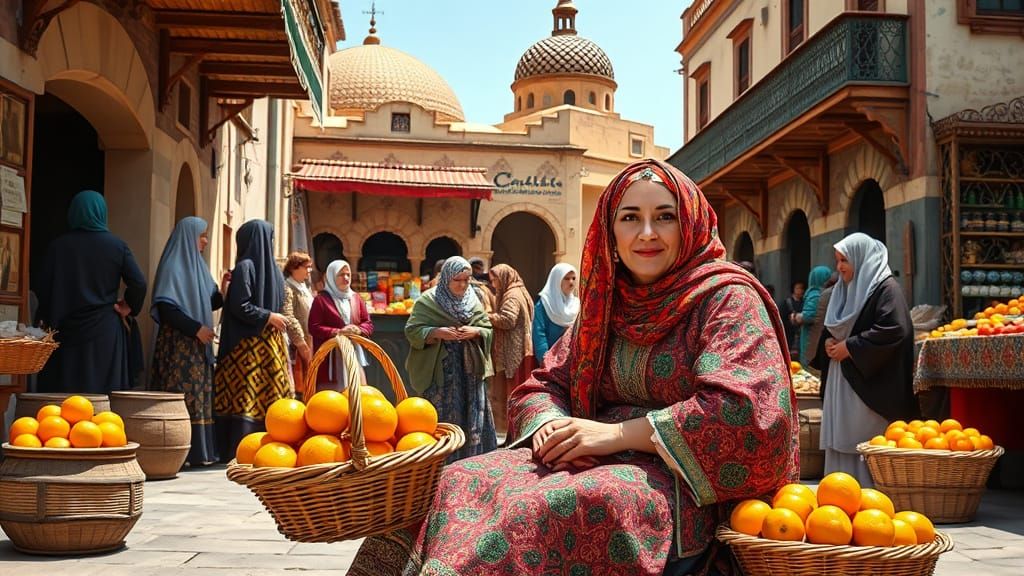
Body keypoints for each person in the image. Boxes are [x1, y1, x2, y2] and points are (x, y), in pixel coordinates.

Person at [349, 159, 797, 576]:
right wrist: (551, 425)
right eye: (629, 218)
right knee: (452, 481)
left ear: (690, 224)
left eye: (665, 216)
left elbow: (747, 413)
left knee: (538, 511)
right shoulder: (607, 305)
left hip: (678, 481)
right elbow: (546, 383)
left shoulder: (727, 299)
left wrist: (615, 435)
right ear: (609, 233)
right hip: (582, 455)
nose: (647, 233)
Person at [812, 233, 918, 486]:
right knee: (843, 436)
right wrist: (828, 343)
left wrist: (851, 347)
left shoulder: (886, 289)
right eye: (838, 261)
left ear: (861, 259)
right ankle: (840, 491)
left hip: (868, 381)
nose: (840, 267)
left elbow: (895, 329)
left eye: (844, 260)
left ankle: (869, 492)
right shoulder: (843, 289)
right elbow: (834, 326)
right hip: (843, 376)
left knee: (864, 438)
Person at [37, 190, 147, 394]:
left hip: (65, 331)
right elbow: (139, 283)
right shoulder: (116, 246)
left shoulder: (57, 247)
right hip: (104, 332)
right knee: (103, 399)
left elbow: (43, 288)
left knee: (66, 398)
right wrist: (128, 306)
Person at [150, 216, 229, 466]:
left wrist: (224, 290)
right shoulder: (173, 266)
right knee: (182, 395)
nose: (205, 240)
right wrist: (196, 329)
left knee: (199, 395)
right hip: (179, 346)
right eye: (201, 235)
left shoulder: (199, 267)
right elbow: (166, 309)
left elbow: (211, 301)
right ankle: (177, 450)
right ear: (189, 237)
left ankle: (199, 452)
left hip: (198, 344)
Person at [404, 256, 496, 461]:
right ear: (446, 279)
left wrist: (476, 332)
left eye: (467, 279)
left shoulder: (474, 301)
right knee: (443, 420)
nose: (463, 284)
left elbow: (487, 329)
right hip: (441, 377)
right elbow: (412, 331)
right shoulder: (427, 301)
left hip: (469, 375)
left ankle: (471, 463)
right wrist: (436, 332)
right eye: (458, 280)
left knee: (471, 417)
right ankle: (440, 466)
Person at [213, 220, 290, 460]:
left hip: (245, 347)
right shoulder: (274, 272)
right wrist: (269, 316)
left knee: (246, 396)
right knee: (262, 396)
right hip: (268, 346)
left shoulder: (246, 267)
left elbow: (239, 306)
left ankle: (240, 448)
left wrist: (266, 316)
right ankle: (269, 448)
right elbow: (242, 304)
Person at [307, 259, 374, 393]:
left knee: (357, 394)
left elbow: (368, 324)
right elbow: (314, 327)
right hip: (330, 358)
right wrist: (338, 332)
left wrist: (358, 330)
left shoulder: (356, 298)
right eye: (341, 274)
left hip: (352, 355)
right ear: (331, 276)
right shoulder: (321, 300)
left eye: (348, 274)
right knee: (331, 400)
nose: (346, 278)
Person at [486, 263, 535, 434]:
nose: (493, 285)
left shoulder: (512, 295)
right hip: (521, 348)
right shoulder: (520, 290)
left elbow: (508, 320)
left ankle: (507, 431)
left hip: (512, 350)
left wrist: (487, 317)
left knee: (509, 391)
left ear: (504, 278)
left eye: (495, 280)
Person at [532, 262, 579, 365]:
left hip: (574, 360)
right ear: (556, 280)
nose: (571, 282)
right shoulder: (544, 304)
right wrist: (545, 360)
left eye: (573, 278)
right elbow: (539, 333)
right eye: (566, 278)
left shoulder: (577, 304)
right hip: (551, 361)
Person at [282, 252, 314, 394]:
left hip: (308, 340)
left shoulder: (303, 287)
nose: (309, 270)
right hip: (296, 345)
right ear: (294, 268)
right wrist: (300, 341)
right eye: (306, 267)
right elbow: (288, 315)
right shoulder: (288, 288)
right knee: (298, 383)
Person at [793, 266, 832, 365]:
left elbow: (808, 316)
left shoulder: (815, 294)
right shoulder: (821, 293)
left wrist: (796, 316)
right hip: (817, 334)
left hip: (813, 335)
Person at [779, 281, 805, 357]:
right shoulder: (787, 302)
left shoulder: (805, 302)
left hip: (801, 333)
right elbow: (782, 318)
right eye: (798, 288)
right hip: (789, 333)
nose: (800, 290)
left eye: (801, 288)